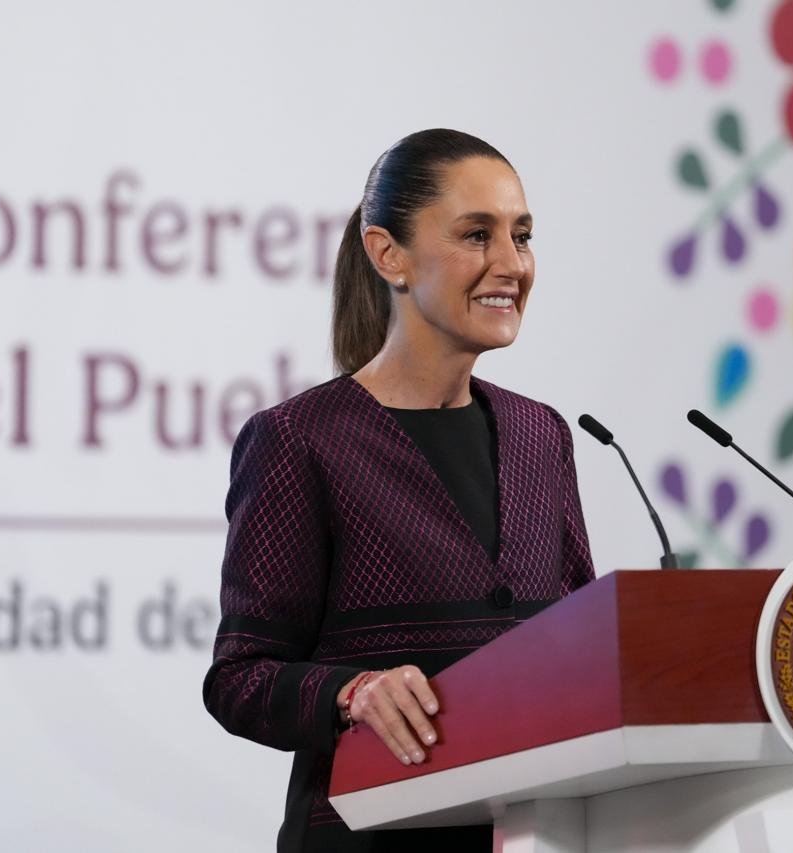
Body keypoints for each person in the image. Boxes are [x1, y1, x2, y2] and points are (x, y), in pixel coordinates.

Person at [202, 128, 595, 852]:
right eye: (476, 235)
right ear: (389, 255)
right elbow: (239, 679)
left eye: (522, 236)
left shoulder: (542, 435)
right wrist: (351, 691)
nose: (512, 264)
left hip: (532, 835)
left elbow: (582, 647)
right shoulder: (299, 439)